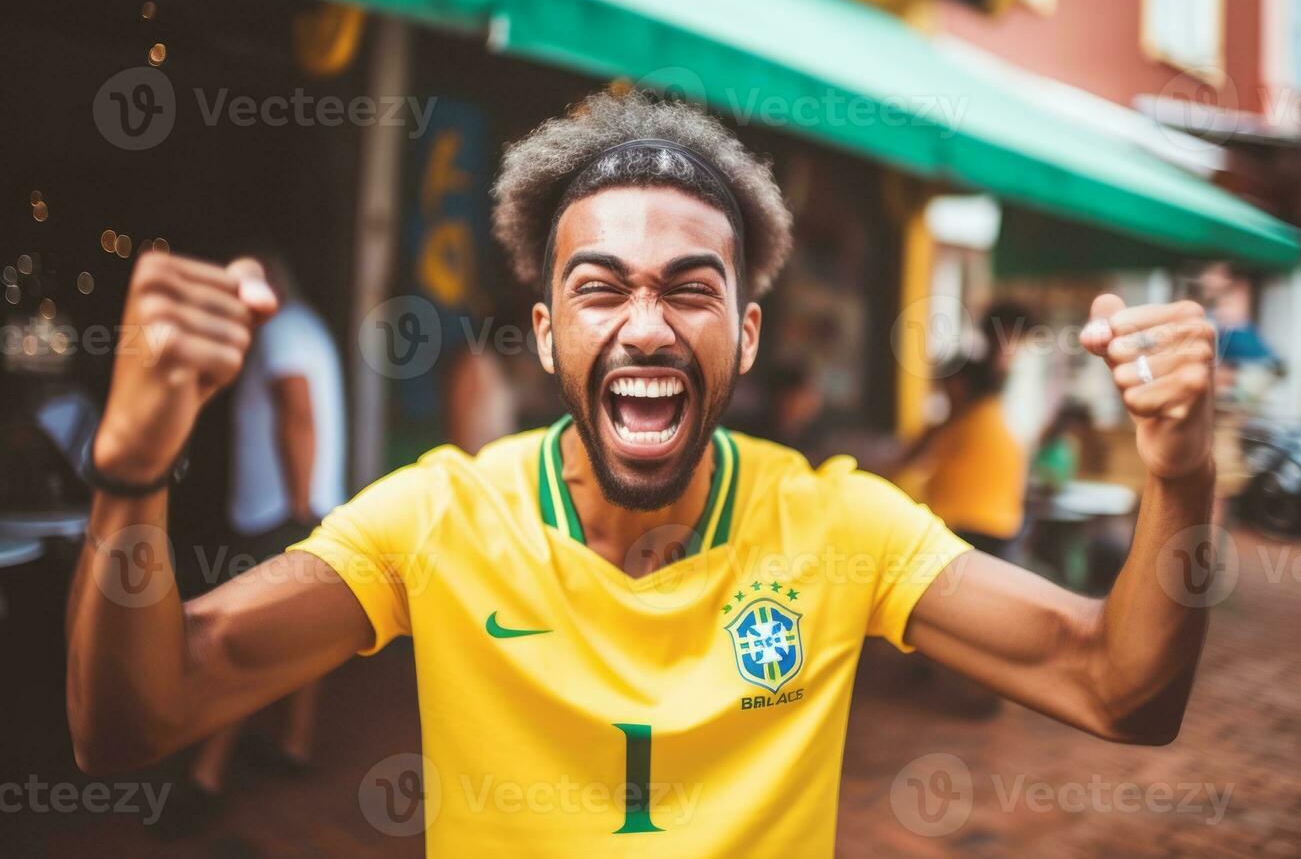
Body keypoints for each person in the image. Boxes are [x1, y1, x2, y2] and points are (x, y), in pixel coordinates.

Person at [69, 91, 1219, 855]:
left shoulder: (839, 528)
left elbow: (1117, 687)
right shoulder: (438, 515)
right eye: (600, 286)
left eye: (688, 287)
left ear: (748, 336)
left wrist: (1179, 473)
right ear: (549, 330)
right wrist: (130, 472)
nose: (645, 323)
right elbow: (141, 714)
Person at [169, 254, 347, 824]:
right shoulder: (305, 326)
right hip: (298, 509)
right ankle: (295, 744)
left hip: (281, 513)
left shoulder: (281, 333)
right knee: (302, 634)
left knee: (242, 642)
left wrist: (297, 507)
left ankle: (205, 778)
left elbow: (298, 413)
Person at [892, 354, 1026, 560]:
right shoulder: (991, 415)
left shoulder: (967, 420)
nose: (944, 395)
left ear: (958, 385)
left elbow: (911, 459)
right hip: (1001, 525)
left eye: (944, 387)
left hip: (968, 525)